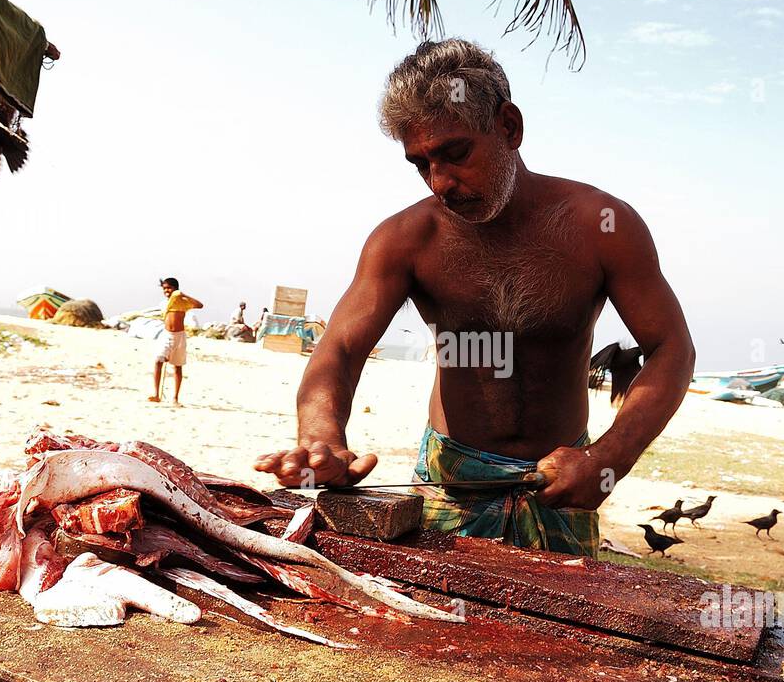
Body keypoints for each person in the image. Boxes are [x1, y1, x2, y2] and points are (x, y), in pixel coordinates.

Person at [254, 39, 696, 556]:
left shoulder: (602, 226)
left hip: (561, 488)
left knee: (556, 632)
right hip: (449, 486)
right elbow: (340, 349)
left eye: (455, 153)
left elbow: (671, 348)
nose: (440, 182)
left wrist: (608, 459)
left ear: (509, 127)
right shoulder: (405, 239)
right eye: (420, 164)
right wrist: (320, 438)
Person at [150, 277, 202, 405]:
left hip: (180, 336)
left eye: (169, 288)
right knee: (158, 361)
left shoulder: (183, 302)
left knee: (177, 367)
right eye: (164, 288)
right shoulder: (164, 303)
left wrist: (182, 295)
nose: (167, 290)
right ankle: (156, 395)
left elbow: (199, 305)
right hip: (167, 335)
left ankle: (175, 398)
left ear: (175, 288)